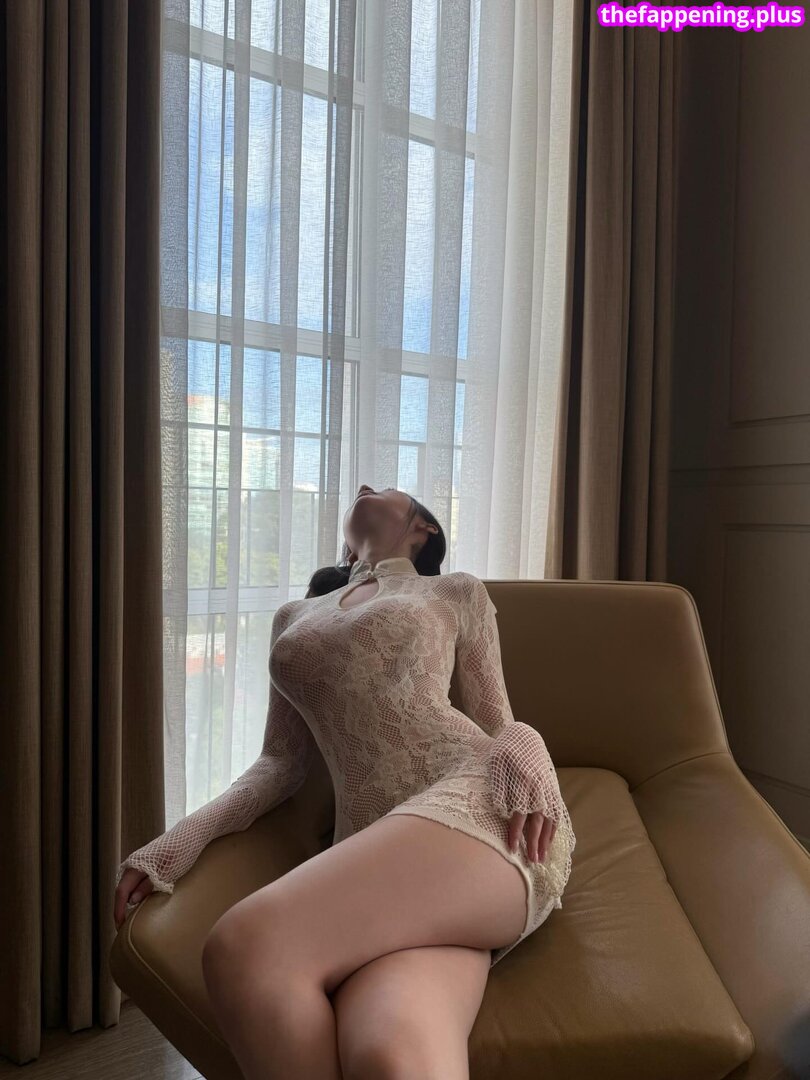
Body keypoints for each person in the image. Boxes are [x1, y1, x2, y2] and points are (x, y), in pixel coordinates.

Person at [114, 484, 576, 1079]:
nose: (363, 489)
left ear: (424, 529)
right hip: (381, 857)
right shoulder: (295, 616)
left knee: (247, 947)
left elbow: (498, 722)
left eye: (382, 489)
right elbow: (279, 764)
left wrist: (528, 740)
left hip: (483, 811)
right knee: (391, 1056)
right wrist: (177, 843)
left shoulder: (453, 591)